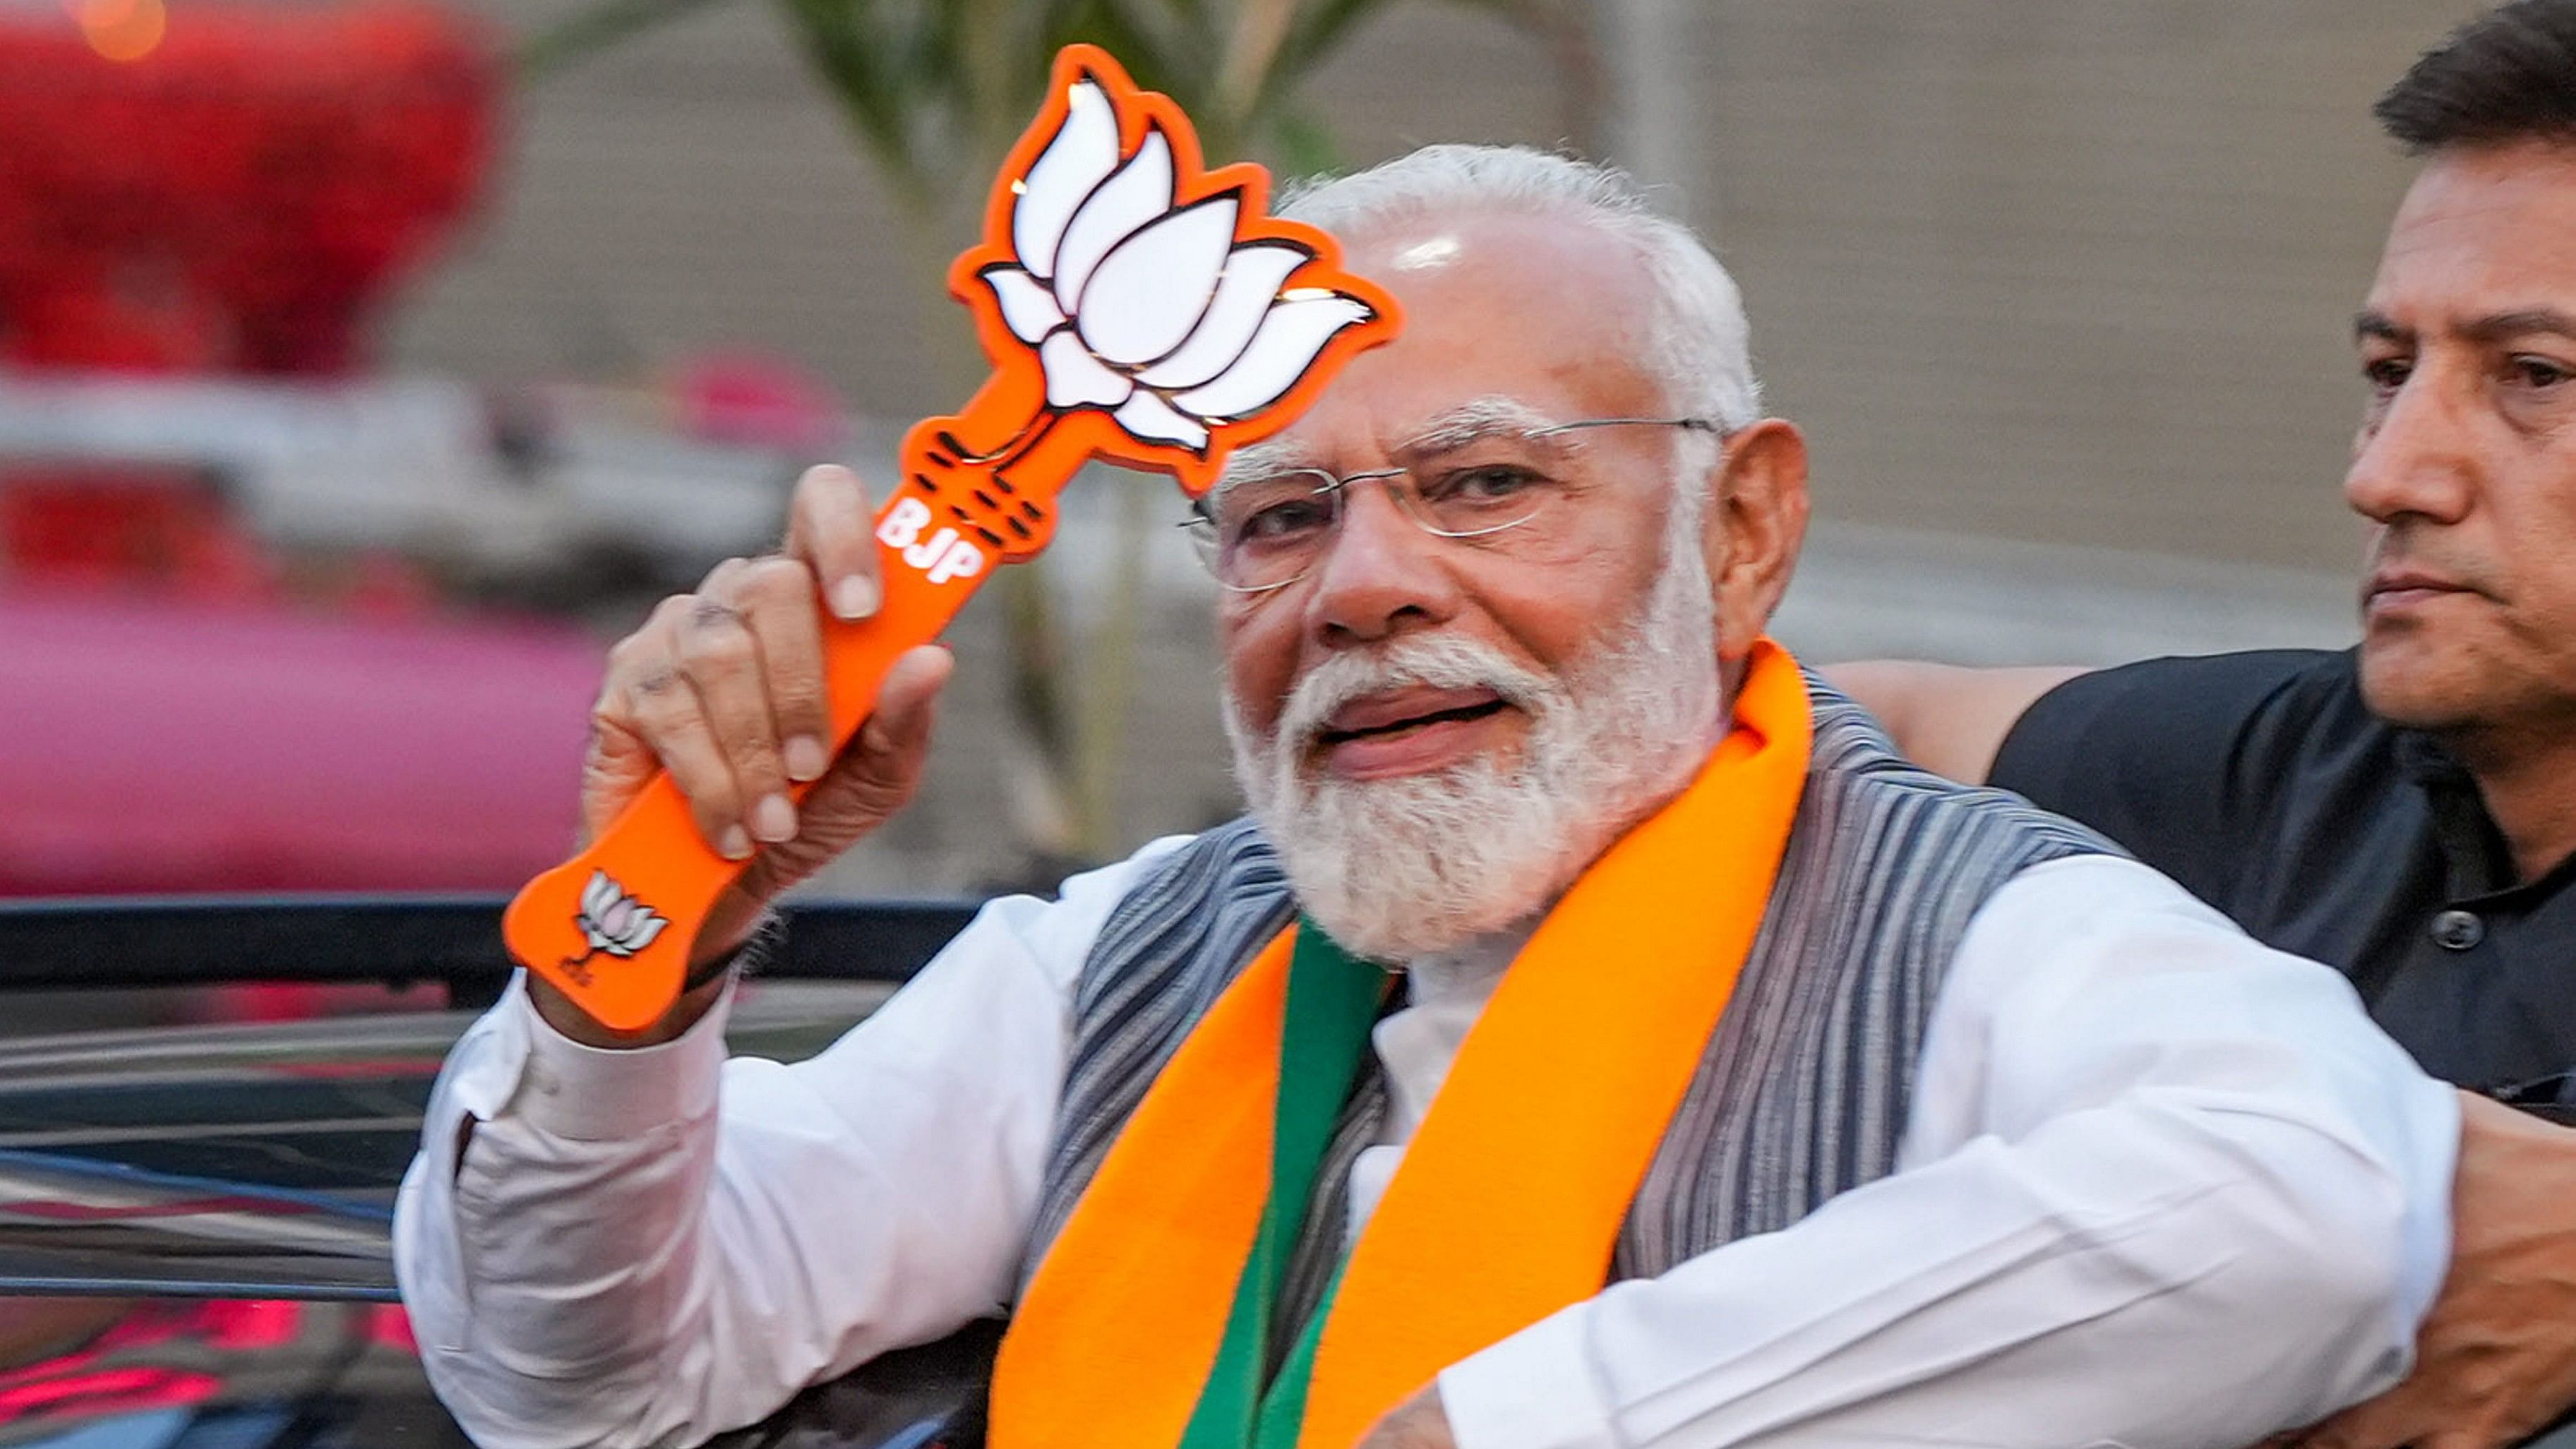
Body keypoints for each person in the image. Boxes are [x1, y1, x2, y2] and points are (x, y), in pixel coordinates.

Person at [394, 145, 2459, 1449]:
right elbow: (577, 1385)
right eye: (1277, 515)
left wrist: (1512, 1419)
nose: (1366, 583)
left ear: (1741, 529)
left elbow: (2306, 1203)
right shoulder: (1137, 947)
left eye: (1484, 483)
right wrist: (645, 927)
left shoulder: (1973, 928)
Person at [1829, 6, 2576, 1446]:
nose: (2389, 473)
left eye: (2533, 378)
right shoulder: (2308, 763)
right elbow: (1875, 725)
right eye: (2385, 372)